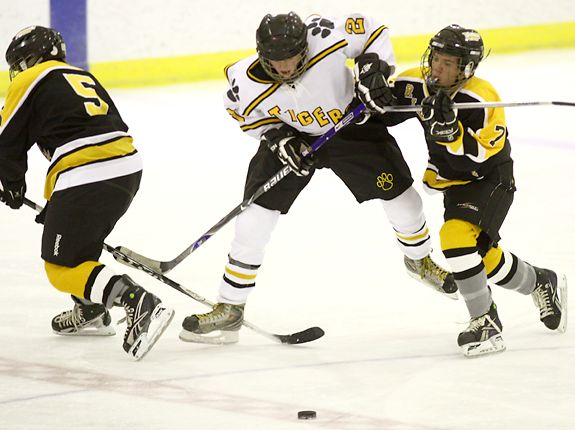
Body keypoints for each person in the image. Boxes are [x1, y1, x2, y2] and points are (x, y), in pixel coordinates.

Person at [180, 12, 457, 345]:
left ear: (304, 47)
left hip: (351, 127)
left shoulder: (325, 36)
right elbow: (241, 113)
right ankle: (230, 306)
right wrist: (277, 136)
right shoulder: (243, 78)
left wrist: (374, 70)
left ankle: (420, 261)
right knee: (254, 218)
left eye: (291, 58)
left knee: (404, 201)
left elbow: (372, 32)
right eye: (275, 61)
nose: (284, 68)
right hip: (295, 140)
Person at [380, 24, 567, 356]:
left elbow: (480, 155)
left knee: (454, 238)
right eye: (435, 59)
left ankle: (485, 321)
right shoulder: (416, 83)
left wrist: (452, 133)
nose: (437, 68)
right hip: (454, 183)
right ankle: (540, 281)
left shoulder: (482, 97)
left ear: (465, 68)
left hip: (489, 179)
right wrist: (371, 92)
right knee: (481, 257)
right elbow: (384, 112)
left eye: (447, 63)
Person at [0, 26, 174, 360]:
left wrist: (12, 185)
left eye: (20, 63)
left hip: (87, 173)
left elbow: (7, 142)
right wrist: (58, 203)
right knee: (79, 249)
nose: (18, 71)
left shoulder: (31, 79)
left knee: (59, 267)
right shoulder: (81, 76)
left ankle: (136, 300)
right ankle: (91, 310)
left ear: (33, 59)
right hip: (126, 169)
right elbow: (95, 131)